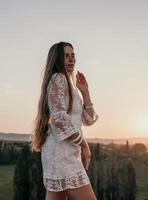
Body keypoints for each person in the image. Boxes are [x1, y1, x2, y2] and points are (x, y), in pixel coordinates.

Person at [32, 42, 98, 200]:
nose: (71, 59)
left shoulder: (70, 86)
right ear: (57, 59)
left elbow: (88, 120)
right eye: (66, 56)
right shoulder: (59, 78)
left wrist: (85, 91)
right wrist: (84, 144)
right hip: (62, 153)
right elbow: (58, 118)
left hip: (63, 151)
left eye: (73, 55)